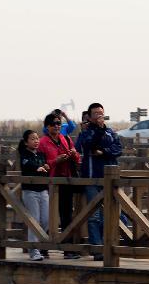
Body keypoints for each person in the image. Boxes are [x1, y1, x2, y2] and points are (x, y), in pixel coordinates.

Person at [74, 102, 122, 260]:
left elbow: (118, 149)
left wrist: (104, 152)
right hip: (92, 177)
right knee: (94, 216)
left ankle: (107, 245)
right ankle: (97, 249)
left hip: (109, 179)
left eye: (101, 112)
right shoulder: (87, 132)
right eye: (95, 113)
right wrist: (97, 132)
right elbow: (86, 146)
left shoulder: (110, 131)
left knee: (110, 214)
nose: (99, 115)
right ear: (90, 116)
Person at [38, 113, 81, 259]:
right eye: (54, 124)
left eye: (59, 123)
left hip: (66, 181)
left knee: (66, 215)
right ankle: (43, 247)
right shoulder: (43, 142)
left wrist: (73, 154)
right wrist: (55, 161)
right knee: (47, 216)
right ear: (47, 127)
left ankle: (67, 249)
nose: (57, 126)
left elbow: (77, 158)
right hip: (49, 183)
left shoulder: (65, 138)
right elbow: (40, 165)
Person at [18, 129, 51, 261]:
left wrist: (45, 168)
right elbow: (27, 166)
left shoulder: (41, 155)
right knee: (34, 220)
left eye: (37, 138)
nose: (36, 141)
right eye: (32, 139)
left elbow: (45, 169)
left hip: (43, 190)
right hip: (30, 191)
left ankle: (40, 245)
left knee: (46, 220)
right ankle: (34, 250)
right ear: (26, 142)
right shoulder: (24, 154)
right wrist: (37, 168)